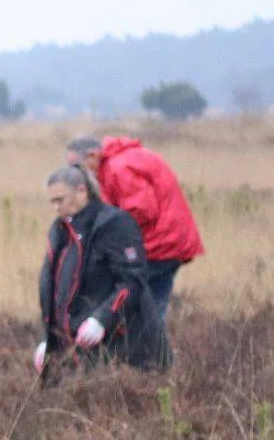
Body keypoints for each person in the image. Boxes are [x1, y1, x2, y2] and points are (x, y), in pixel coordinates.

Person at [36, 165, 166, 380]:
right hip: (70, 348)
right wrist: (48, 340)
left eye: (60, 200)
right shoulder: (59, 230)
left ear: (82, 191)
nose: (55, 208)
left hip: (118, 346)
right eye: (52, 201)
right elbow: (54, 289)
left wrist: (102, 319)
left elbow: (133, 280)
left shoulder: (115, 224)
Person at [67, 135, 202, 317]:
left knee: (136, 307)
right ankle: (153, 343)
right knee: (152, 307)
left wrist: (108, 236)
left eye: (77, 166)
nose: (76, 174)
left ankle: (144, 343)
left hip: (159, 246)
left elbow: (141, 210)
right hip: (167, 244)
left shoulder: (118, 168)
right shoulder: (119, 161)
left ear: (92, 155)